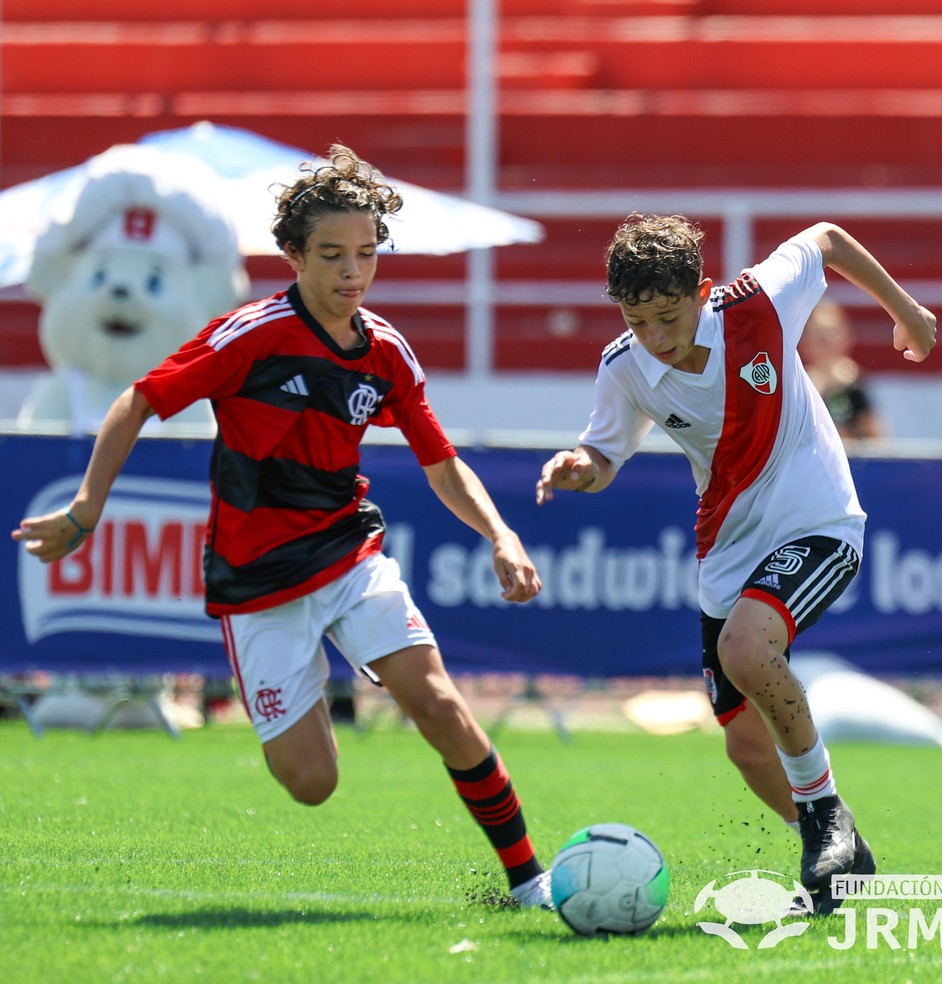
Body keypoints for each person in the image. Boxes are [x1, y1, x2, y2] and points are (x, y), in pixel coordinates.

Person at [12, 144, 553, 910]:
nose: (351, 272)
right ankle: (308, 701)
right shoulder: (252, 334)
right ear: (293, 254)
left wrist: (500, 534)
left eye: (366, 254)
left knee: (438, 703)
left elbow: (441, 463)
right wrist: (86, 508)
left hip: (349, 554)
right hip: (256, 583)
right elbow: (137, 399)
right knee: (312, 784)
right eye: (332, 254)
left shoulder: (386, 352)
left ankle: (530, 881)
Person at [536, 214, 937, 913]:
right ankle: (845, 862)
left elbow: (828, 238)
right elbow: (604, 456)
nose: (656, 338)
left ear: (703, 290)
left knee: (746, 649)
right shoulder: (625, 366)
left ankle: (825, 817)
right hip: (728, 546)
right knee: (747, 749)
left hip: (820, 520)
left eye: (669, 316)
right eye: (638, 321)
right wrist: (580, 468)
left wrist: (907, 313)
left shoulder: (757, 302)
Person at [799, 297, 886, 440]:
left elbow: (874, 437)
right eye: (819, 337)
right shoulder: (799, 384)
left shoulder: (853, 385)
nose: (826, 345)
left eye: (831, 336)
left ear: (845, 338)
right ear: (805, 342)